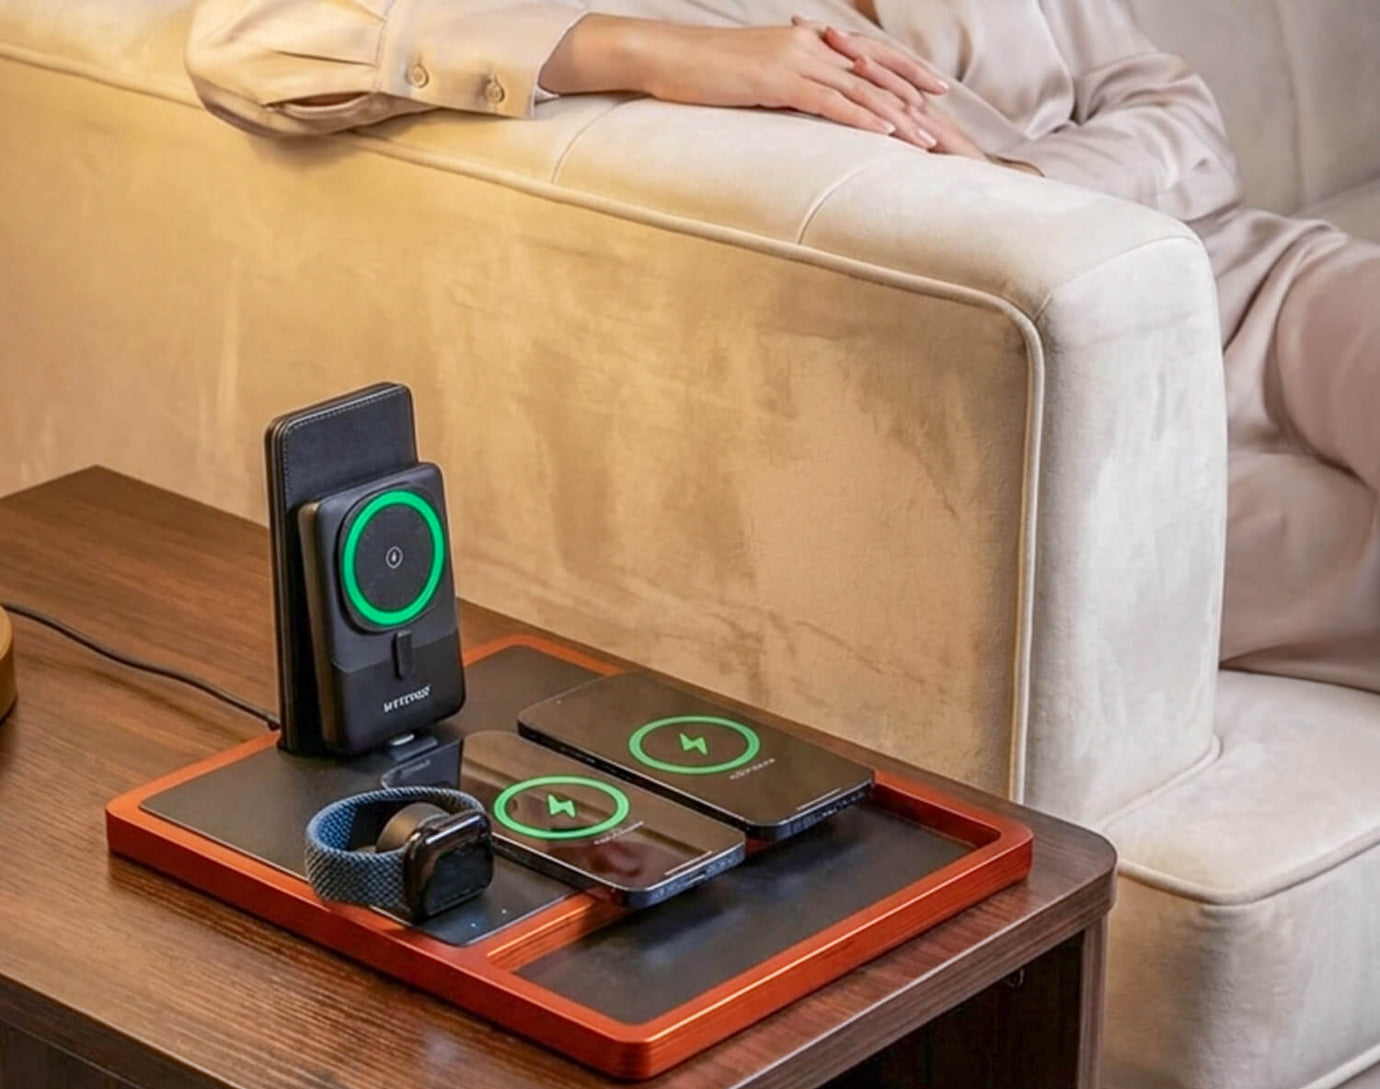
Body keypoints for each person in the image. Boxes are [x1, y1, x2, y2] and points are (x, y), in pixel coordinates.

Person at [186, 0, 1380, 694]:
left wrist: (1030, 186)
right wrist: (649, 51)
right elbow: (253, 39)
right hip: (1038, 424)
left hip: (1246, 279)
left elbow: (1175, 108)